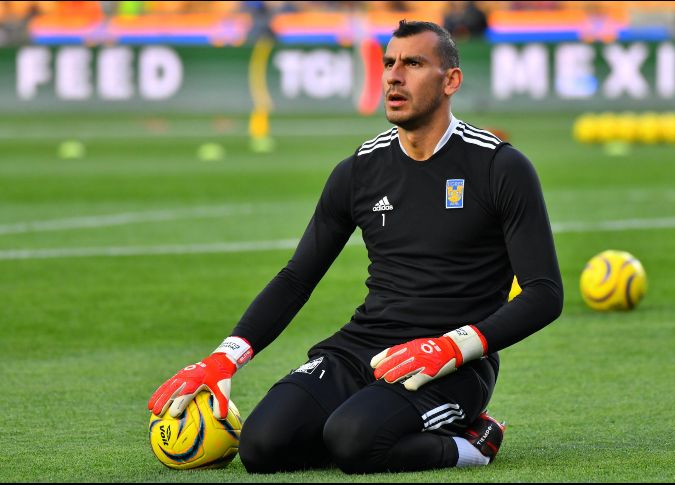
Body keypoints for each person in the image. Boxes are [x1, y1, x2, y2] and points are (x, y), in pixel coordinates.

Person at [148, 20, 563, 474]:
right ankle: (368, 424)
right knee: (262, 446)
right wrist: (224, 357)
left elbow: (544, 293)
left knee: (354, 440)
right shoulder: (360, 170)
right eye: (389, 63)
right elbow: (297, 278)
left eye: (413, 64)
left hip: (452, 363)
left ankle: (474, 442)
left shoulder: (500, 166)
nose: (394, 76)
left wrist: (452, 346)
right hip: (363, 346)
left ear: (451, 81)